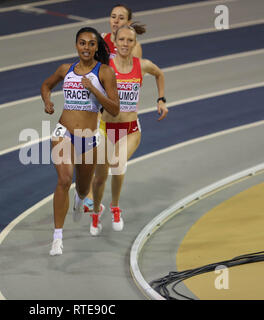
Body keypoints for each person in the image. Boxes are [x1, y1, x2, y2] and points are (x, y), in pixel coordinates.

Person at [40, 27, 120, 255]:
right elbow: (46, 85)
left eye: (91, 44)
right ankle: (57, 237)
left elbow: (114, 110)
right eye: (82, 43)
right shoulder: (66, 70)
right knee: (64, 179)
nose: (86, 47)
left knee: (83, 188)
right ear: (76, 45)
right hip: (62, 131)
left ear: (97, 48)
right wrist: (47, 102)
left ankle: (80, 199)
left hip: (88, 137)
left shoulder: (104, 72)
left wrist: (94, 89)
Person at [89, 24, 168, 236]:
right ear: (114, 42)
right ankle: (96, 212)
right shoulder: (105, 66)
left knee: (117, 163)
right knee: (99, 179)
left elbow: (159, 74)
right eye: (121, 40)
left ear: (135, 44)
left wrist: (161, 100)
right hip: (105, 128)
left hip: (131, 129)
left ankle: (115, 207)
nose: (125, 44)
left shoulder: (142, 65)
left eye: (129, 41)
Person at [83, 4, 146, 211]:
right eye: (113, 17)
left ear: (128, 23)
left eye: (121, 18)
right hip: (100, 107)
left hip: (117, 108)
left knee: (107, 160)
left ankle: (97, 197)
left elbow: (131, 76)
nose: (116, 21)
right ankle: (88, 196)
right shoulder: (101, 40)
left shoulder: (132, 47)